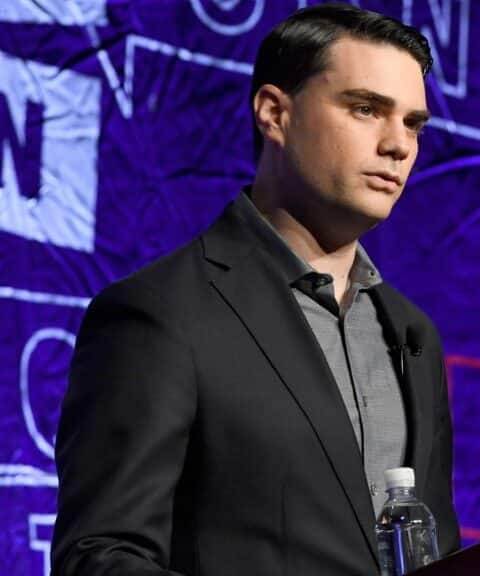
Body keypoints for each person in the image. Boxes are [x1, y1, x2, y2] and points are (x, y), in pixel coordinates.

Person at [51, 4, 459, 575]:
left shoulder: (413, 334)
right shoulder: (160, 314)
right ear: (274, 113)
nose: (399, 145)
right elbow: (101, 558)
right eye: (366, 109)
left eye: (413, 124)